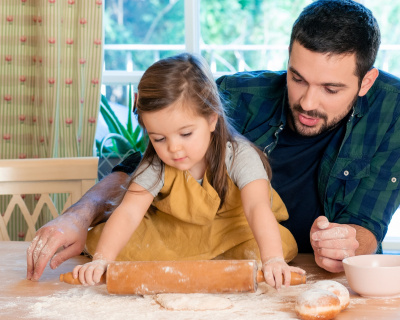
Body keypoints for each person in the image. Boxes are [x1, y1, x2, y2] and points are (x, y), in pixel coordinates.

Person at [27, 0, 400, 281]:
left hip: (295, 273)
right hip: (202, 260)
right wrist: (82, 218)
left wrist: (345, 243)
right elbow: (134, 175)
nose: (307, 101)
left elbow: (364, 224)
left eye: (331, 88)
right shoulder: (234, 95)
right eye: (297, 78)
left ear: (366, 82)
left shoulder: (392, 111)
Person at [68, 53, 304, 289]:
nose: (173, 148)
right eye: (159, 138)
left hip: (233, 232)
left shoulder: (239, 155)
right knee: (108, 242)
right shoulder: (155, 164)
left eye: (185, 134)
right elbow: (129, 212)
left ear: (212, 119)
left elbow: (256, 207)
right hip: (176, 233)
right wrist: (102, 259)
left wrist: (273, 259)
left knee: (275, 245)